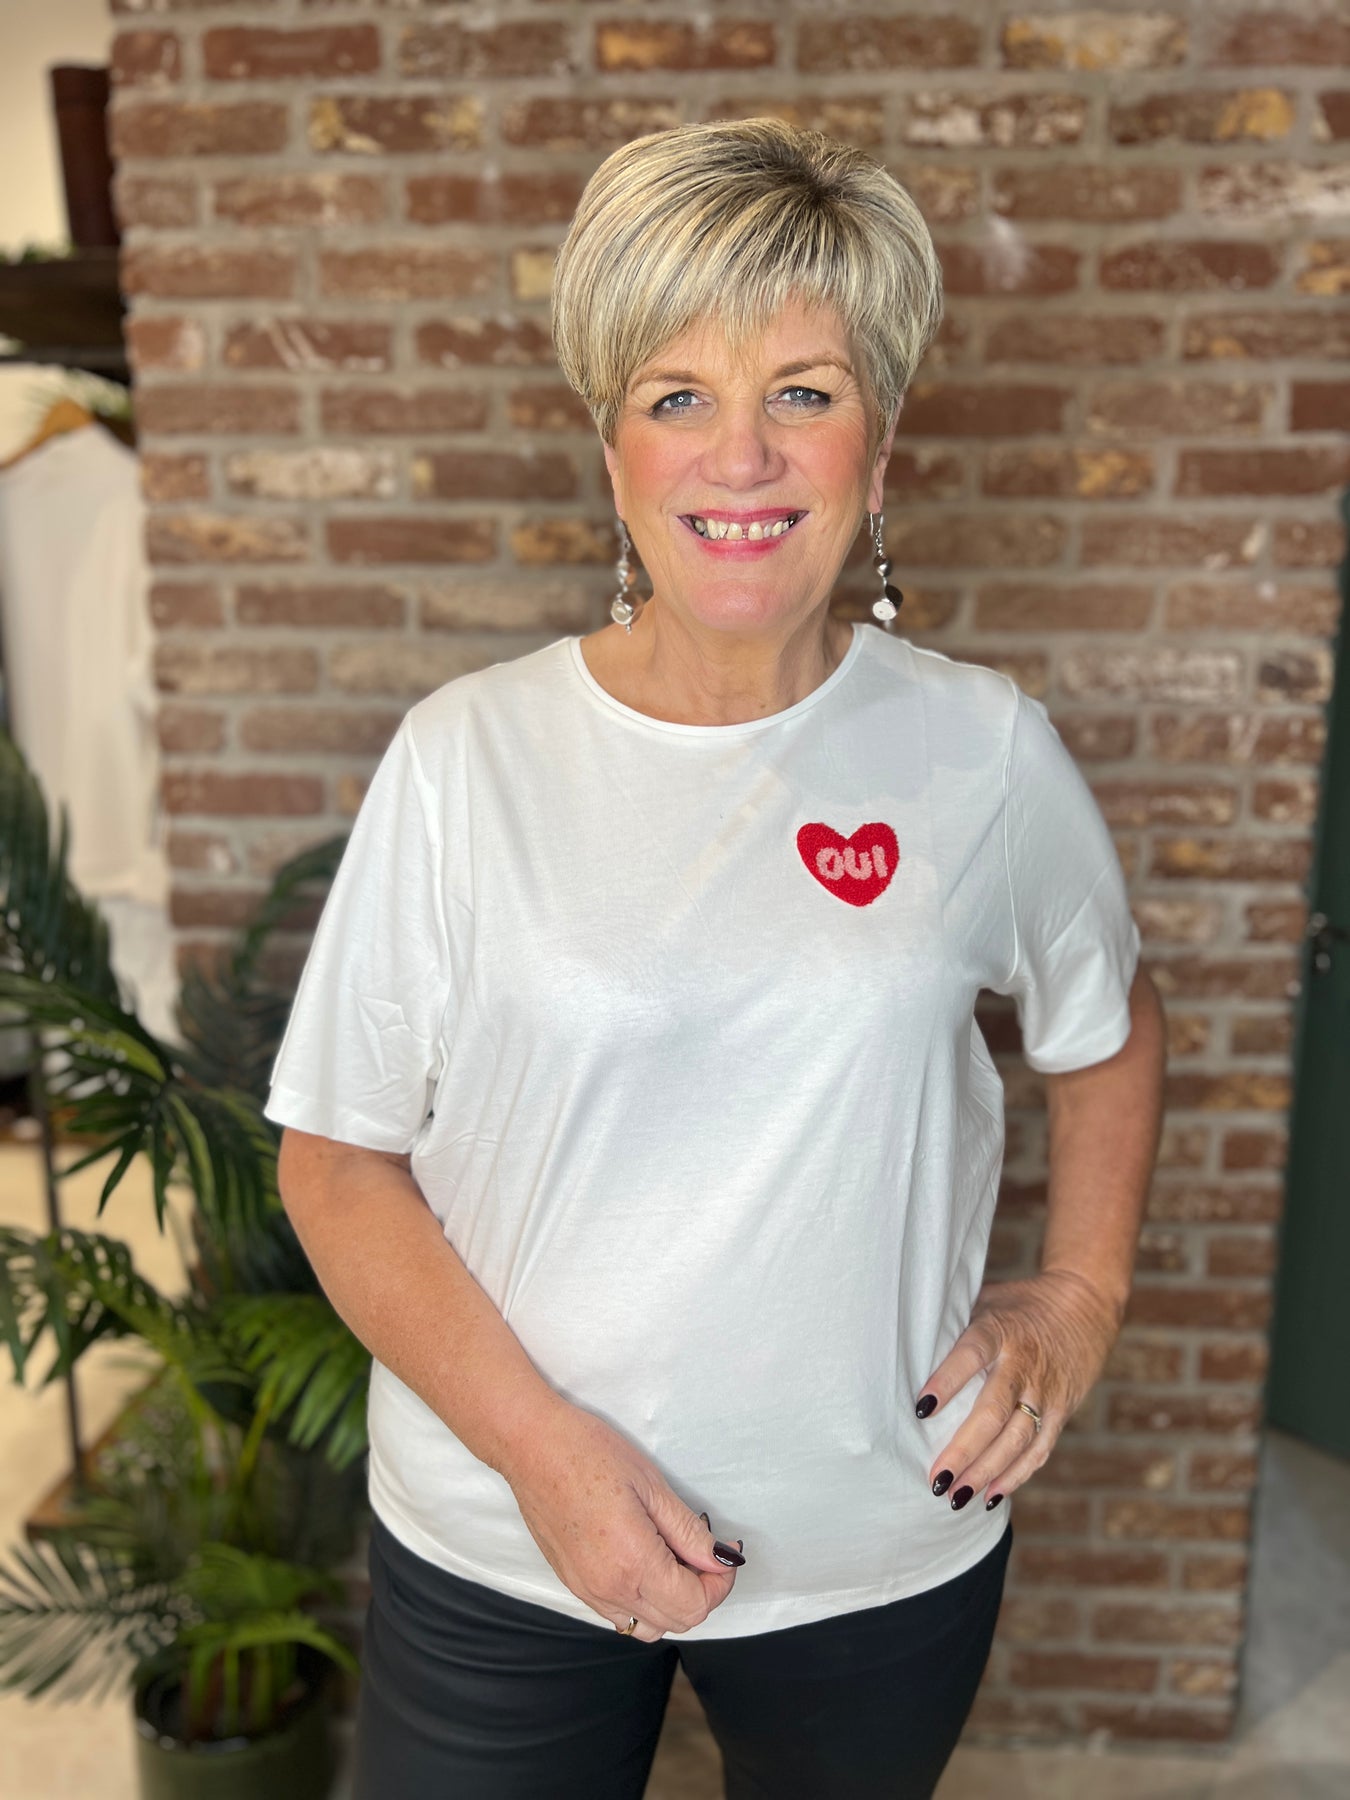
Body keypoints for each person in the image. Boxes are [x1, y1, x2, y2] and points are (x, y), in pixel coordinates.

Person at [266, 118, 1166, 1799]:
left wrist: (1077, 1297)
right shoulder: (466, 759)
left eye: (801, 393)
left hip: (874, 1546)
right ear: (612, 454)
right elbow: (334, 1160)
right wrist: (542, 1457)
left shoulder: (981, 754)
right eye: (678, 396)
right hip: (496, 1539)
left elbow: (1105, 1032)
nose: (740, 457)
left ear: (877, 454)